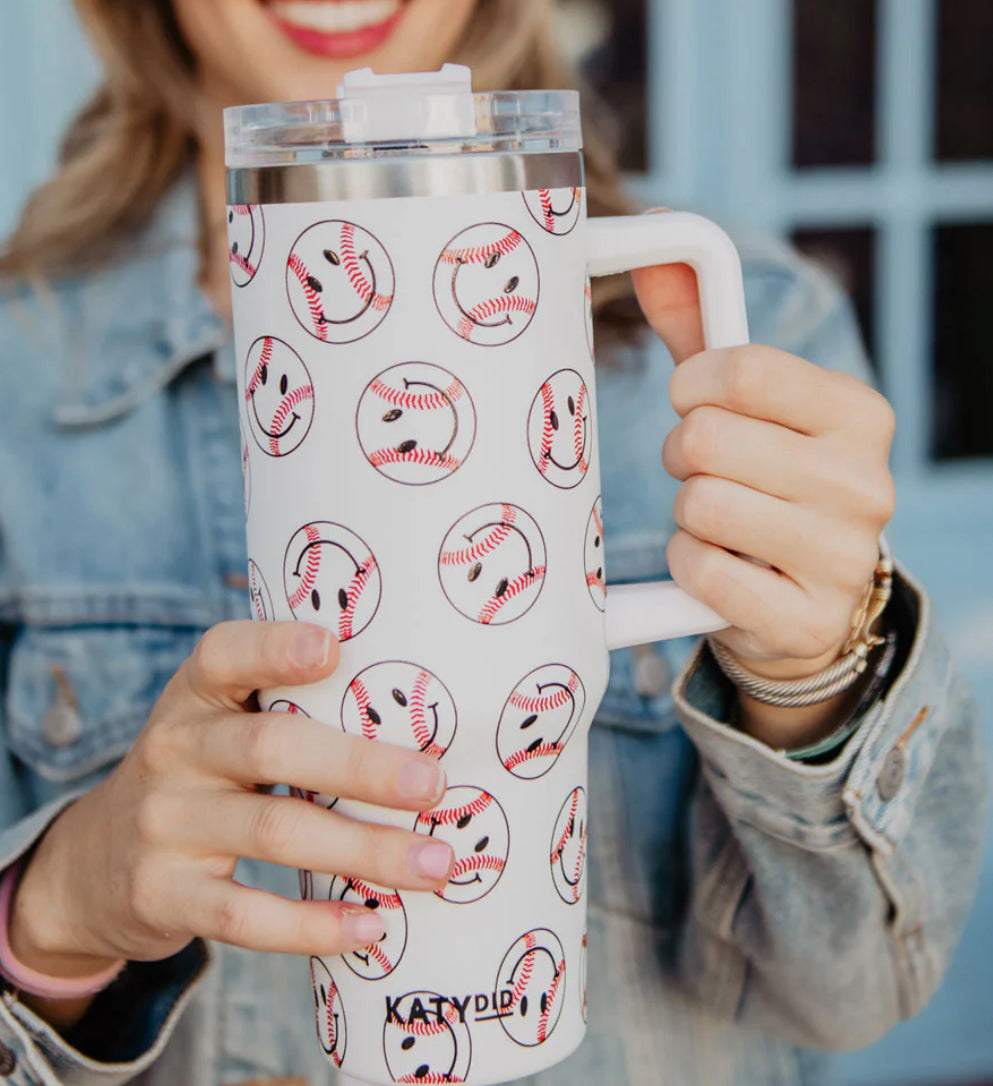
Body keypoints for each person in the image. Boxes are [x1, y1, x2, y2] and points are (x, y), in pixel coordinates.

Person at [0, 1, 985, 1084]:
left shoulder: (748, 339)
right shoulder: (19, 376)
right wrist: (49, 917)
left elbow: (858, 996)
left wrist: (811, 674)